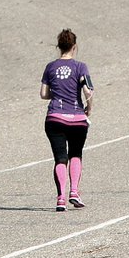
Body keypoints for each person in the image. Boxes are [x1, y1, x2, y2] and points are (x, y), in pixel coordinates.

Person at [40, 29, 94, 211]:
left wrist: (58, 93)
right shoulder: (81, 67)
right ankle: (74, 192)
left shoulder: (50, 67)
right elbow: (88, 91)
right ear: (74, 46)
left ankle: (60, 198)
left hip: (55, 117)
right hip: (77, 118)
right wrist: (89, 109)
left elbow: (43, 94)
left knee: (60, 158)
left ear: (59, 47)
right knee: (76, 154)